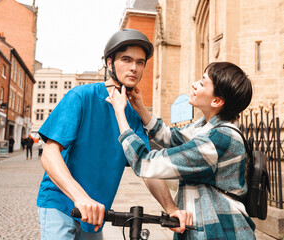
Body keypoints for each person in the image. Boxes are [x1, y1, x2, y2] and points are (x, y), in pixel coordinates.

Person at [37, 29, 191, 240]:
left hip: (97, 212)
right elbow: (49, 153)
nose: (134, 68)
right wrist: (81, 198)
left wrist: (170, 207)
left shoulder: (132, 115)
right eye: (126, 60)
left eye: (140, 62)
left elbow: (146, 167)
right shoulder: (81, 97)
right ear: (109, 64)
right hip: (61, 203)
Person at [107, 61, 256, 239]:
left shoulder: (219, 139)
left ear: (216, 101)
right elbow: (169, 137)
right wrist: (139, 106)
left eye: (202, 83)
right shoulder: (206, 127)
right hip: (202, 227)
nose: (194, 84)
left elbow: (145, 163)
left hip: (220, 231)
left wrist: (120, 113)